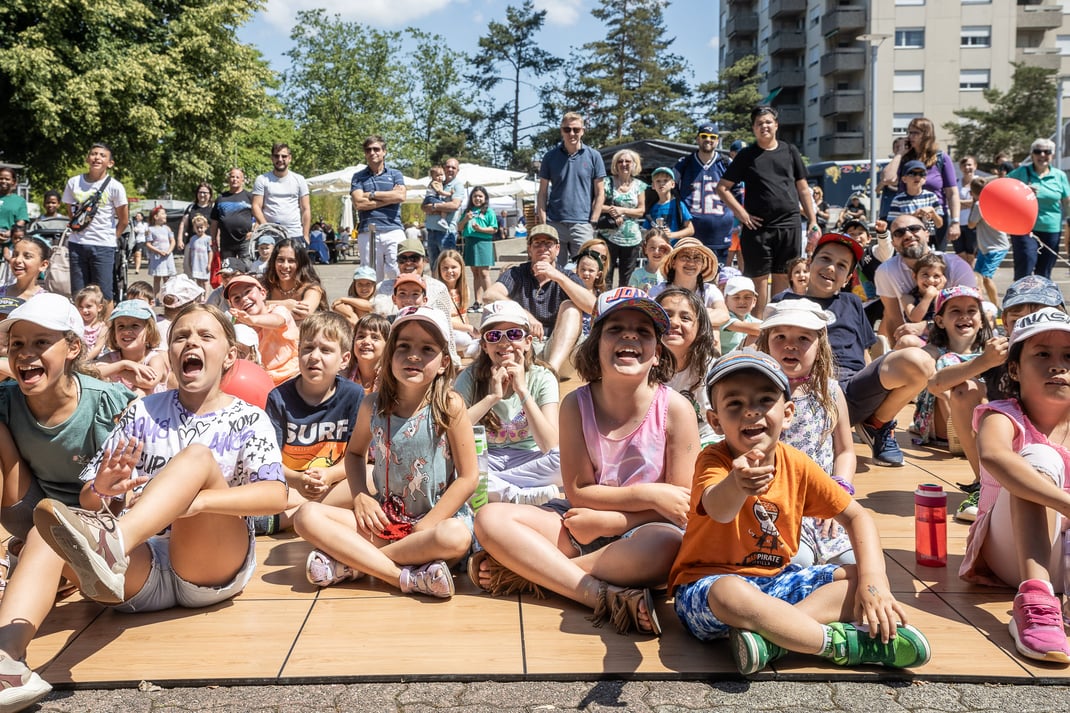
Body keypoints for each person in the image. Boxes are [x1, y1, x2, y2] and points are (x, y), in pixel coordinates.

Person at [15, 304, 287, 707]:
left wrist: (196, 503)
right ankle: (6, 661)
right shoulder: (141, 411)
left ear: (230, 355)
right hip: (140, 567)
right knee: (44, 533)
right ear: (170, 352)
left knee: (197, 457)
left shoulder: (248, 417)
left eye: (205, 336)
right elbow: (91, 498)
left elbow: (275, 496)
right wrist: (102, 488)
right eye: (181, 337)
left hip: (210, 562)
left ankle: (111, 547)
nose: (191, 343)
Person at [669, 348, 930, 675]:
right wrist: (737, 484)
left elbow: (857, 516)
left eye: (765, 400)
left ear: (788, 412)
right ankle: (836, 644)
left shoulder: (796, 464)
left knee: (854, 576)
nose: (751, 411)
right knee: (730, 591)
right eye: (734, 403)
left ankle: (775, 639)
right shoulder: (714, 460)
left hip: (777, 582)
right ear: (715, 421)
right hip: (707, 590)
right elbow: (718, 509)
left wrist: (875, 584)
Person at [471, 288, 698, 637]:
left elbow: (680, 508)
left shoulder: (676, 409)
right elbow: (578, 491)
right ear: (595, 346)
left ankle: (534, 575)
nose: (629, 336)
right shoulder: (576, 404)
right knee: (489, 518)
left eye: (643, 331)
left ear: (657, 353)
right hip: (581, 521)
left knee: (668, 546)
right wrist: (648, 494)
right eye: (615, 328)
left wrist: (612, 520)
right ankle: (594, 594)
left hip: (643, 530)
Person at [293, 306, 477, 598]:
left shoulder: (449, 406)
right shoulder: (372, 406)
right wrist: (360, 496)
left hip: (434, 524)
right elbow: (354, 454)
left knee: (454, 537)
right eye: (403, 346)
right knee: (306, 515)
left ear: (444, 362)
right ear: (389, 356)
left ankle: (356, 564)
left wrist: (428, 524)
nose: (413, 356)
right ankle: (402, 575)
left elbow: (468, 477)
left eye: (427, 349)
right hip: (384, 520)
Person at [958, 307, 1070, 664]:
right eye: (1043, 355)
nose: (1058, 366)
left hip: (1064, 557)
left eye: (1068, 357)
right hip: (1009, 555)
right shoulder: (1002, 415)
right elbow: (993, 456)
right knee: (1035, 459)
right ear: (1014, 369)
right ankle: (1036, 602)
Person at [776, 232, 934, 467]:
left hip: (853, 389)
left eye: (841, 265)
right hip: (807, 391)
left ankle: (877, 423)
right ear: (809, 263)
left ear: (848, 277)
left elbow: (864, 353)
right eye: (825, 259)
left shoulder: (851, 303)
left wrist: (873, 388)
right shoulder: (786, 302)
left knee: (921, 362)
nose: (831, 268)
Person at [0, 294, 135, 546]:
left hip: (96, 516)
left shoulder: (105, 402)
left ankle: (51, 553)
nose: (25, 353)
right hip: (28, 512)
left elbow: (117, 492)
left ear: (73, 348)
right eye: (16, 344)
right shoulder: (6, 399)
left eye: (41, 342)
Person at [757, 301, 857, 569]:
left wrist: (839, 491)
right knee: (796, 561)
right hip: (774, 505)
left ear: (819, 346)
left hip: (824, 503)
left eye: (803, 338)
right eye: (780, 337)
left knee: (853, 564)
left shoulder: (830, 391)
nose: (791, 345)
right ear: (766, 343)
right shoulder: (756, 392)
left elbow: (845, 451)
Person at [262, 312, 365, 534]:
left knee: (372, 476)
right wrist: (298, 480)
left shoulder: (354, 394)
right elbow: (270, 461)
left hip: (333, 483)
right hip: (290, 484)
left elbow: (358, 456)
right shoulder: (278, 398)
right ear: (298, 352)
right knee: (267, 489)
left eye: (326, 350)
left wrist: (331, 475)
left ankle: (283, 520)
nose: (314, 356)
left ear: (344, 359)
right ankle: (316, 511)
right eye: (308, 348)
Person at [455, 300, 561, 505]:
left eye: (513, 334)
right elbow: (452, 431)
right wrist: (492, 398)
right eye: (494, 336)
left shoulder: (542, 377)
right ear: (484, 345)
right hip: (486, 458)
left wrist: (523, 391)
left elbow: (550, 445)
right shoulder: (470, 377)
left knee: (564, 460)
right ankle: (516, 494)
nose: (504, 343)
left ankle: (490, 487)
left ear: (528, 341)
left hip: (529, 459)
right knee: (449, 462)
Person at [716, 106, 819, 315]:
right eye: (759, 123)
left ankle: (778, 322)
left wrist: (813, 220)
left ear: (776, 125)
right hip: (757, 228)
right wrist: (742, 214)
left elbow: (803, 189)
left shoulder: (790, 151)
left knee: (784, 275)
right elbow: (722, 188)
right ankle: (758, 328)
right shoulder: (746, 155)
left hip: (789, 225)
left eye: (768, 122)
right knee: (758, 279)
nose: (764, 126)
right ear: (754, 128)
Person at [910, 287, 994, 452]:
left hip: (978, 415)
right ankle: (961, 436)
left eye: (971, 311)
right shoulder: (934, 352)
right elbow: (932, 382)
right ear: (940, 321)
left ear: (982, 321)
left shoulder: (988, 352)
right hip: (942, 421)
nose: (964, 316)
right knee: (948, 367)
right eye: (956, 311)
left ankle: (982, 434)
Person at [483, 224, 595, 343]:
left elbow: (593, 307)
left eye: (548, 244)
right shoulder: (516, 273)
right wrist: (525, 315)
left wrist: (558, 277)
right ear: (529, 249)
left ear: (557, 249)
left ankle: (553, 357)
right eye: (537, 243)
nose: (542, 248)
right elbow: (489, 295)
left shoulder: (567, 276)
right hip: (524, 340)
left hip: (559, 341)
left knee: (570, 308)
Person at [875, 216, 976, 342]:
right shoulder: (886, 271)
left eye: (914, 228)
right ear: (893, 244)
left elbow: (973, 314)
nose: (908, 235)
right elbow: (892, 317)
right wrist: (898, 350)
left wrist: (926, 326)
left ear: (927, 235)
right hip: (915, 343)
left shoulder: (956, 266)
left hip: (956, 339)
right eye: (899, 233)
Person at [880, 117, 960, 252]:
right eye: (909, 132)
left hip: (936, 218)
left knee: (934, 258)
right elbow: (887, 179)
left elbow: (952, 193)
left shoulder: (941, 158)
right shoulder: (905, 158)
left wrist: (955, 221)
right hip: (906, 217)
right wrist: (899, 154)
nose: (910, 136)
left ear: (927, 134)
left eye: (915, 133)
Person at [537, 112, 607, 267]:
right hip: (555, 223)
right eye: (567, 129)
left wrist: (593, 222)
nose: (572, 133)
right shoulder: (550, 157)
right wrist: (544, 223)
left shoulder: (594, 156)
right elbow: (542, 193)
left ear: (583, 131)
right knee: (553, 270)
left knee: (585, 269)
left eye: (576, 129)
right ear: (561, 131)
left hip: (583, 223)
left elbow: (600, 192)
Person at [63, 143, 129, 305]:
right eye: (93, 154)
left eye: (102, 155)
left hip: (103, 246)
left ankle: (106, 322)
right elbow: (71, 213)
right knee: (79, 294)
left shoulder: (115, 187)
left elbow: (124, 220)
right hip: (77, 244)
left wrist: (112, 237)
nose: (97, 158)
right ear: (87, 159)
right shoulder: (74, 182)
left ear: (110, 163)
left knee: (104, 295)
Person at [655, 287, 721, 447]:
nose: (674, 322)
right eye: (666, 315)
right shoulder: (642, 366)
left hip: (706, 440)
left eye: (685, 318)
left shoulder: (712, 368)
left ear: (700, 328)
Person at [1007, 138, 1070, 280]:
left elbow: (1067, 201)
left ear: (1052, 155)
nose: (1042, 155)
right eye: (1037, 151)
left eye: (1047, 152)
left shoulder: (1059, 175)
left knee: (1044, 272)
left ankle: (1042, 295)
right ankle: (1020, 294)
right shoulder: (1021, 172)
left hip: (1051, 228)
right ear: (1032, 155)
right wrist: (1021, 190)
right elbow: (1002, 187)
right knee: (1026, 263)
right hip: (1024, 228)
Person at [675, 123, 736, 265]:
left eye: (712, 137)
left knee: (718, 274)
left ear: (717, 141)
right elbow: (671, 190)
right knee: (690, 272)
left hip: (720, 232)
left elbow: (739, 194)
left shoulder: (727, 163)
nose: (708, 139)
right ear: (697, 139)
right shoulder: (684, 163)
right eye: (704, 136)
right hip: (691, 232)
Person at [351, 136, 408, 280]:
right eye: (368, 150)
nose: (372, 152)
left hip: (394, 229)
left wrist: (371, 194)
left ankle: (399, 296)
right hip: (368, 231)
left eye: (376, 149)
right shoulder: (358, 177)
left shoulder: (395, 174)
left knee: (399, 271)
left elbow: (401, 196)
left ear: (384, 151)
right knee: (371, 275)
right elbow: (358, 203)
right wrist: (390, 198)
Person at [226, 275, 299, 386]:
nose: (244, 299)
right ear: (232, 306)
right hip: (262, 381)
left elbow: (278, 320)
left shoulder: (277, 310)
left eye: (248, 292)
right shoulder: (239, 327)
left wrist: (252, 320)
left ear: (263, 293)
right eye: (236, 298)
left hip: (291, 376)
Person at [649, 237, 729, 332]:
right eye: (685, 257)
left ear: (702, 265)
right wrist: (702, 315)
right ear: (673, 262)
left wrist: (685, 321)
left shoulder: (709, 290)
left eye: (697, 258)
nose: (691, 262)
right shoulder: (658, 290)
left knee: (715, 330)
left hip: (699, 340)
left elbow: (723, 315)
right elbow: (651, 317)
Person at [94, 300, 169, 397]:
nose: (126, 331)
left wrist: (118, 370)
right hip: (120, 405)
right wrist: (123, 364)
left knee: (140, 391)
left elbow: (149, 382)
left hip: (151, 405)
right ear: (114, 333)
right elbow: (92, 372)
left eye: (135, 326)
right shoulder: (113, 358)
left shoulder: (154, 358)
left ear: (149, 331)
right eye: (121, 326)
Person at [599, 149, 647, 288]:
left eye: (628, 161)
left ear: (634, 164)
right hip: (609, 236)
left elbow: (641, 211)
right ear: (615, 164)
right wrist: (612, 210)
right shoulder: (606, 182)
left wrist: (623, 210)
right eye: (620, 161)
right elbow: (597, 206)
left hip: (632, 239)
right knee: (606, 276)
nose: (624, 164)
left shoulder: (639, 185)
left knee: (627, 279)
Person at [252, 143, 311, 246]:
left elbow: (306, 209)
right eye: (276, 156)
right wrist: (267, 228)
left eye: (284, 156)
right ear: (272, 158)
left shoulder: (299, 179)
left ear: (289, 158)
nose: (280, 159)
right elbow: (256, 206)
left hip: (295, 233)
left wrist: (305, 235)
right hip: (270, 236)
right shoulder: (262, 179)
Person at [967, 176, 1010, 306]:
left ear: (972, 193)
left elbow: (971, 224)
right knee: (977, 276)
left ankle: (996, 308)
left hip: (995, 247)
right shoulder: (994, 201)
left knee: (985, 277)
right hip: (987, 247)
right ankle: (979, 304)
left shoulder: (979, 204)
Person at [263, 237, 326, 324]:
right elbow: (247, 307)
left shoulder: (312, 288)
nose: (285, 266)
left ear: (300, 264)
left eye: (291, 261)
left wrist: (266, 306)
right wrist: (285, 304)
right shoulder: (266, 285)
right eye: (280, 260)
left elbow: (303, 313)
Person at [433, 250, 479, 356]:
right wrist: (468, 328)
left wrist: (470, 330)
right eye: (445, 268)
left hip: (462, 332)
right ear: (439, 270)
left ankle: (459, 352)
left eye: (453, 267)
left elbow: (464, 315)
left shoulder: (464, 289)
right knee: (463, 340)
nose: (449, 271)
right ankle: (461, 352)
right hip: (446, 332)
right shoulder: (437, 291)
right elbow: (442, 321)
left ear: (461, 268)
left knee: (485, 341)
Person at [459, 186, 498, 307]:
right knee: (475, 272)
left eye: (480, 196)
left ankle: (490, 301)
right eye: (475, 196)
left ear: (485, 198)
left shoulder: (489, 212)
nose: (477, 198)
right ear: (471, 198)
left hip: (484, 243)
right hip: (470, 242)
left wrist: (480, 229)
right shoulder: (468, 212)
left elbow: (494, 229)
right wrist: (465, 219)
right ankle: (478, 301)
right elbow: (459, 227)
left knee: (484, 272)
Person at [421, 158, 464, 266]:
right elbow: (423, 207)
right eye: (448, 167)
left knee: (447, 266)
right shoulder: (437, 183)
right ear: (444, 168)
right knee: (434, 267)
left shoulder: (457, 185)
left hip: (446, 233)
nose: (450, 169)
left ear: (458, 170)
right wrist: (440, 208)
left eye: (453, 167)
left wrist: (434, 207)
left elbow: (454, 205)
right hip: (431, 232)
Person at [884, 160, 945, 234]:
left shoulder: (931, 196)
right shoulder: (898, 200)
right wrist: (914, 215)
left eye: (921, 174)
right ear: (904, 179)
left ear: (925, 179)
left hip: (929, 237)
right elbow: (893, 225)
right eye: (912, 174)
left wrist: (933, 212)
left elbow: (939, 224)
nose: (917, 177)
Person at [211, 167, 255, 260]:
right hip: (226, 242)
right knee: (227, 268)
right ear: (228, 179)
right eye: (232, 177)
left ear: (242, 180)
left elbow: (259, 216)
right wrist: (214, 241)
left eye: (237, 177)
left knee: (246, 266)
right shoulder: (221, 198)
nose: (235, 179)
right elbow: (214, 222)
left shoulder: (249, 197)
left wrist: (253, 231)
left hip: (245, 241)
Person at [643, 168, 694, 241]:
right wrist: (654, 233)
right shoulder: (651, 207)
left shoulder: (678, 205)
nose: (662, 183)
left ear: (673, 184)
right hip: (658, 246)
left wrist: (671, 235)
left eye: (665, 180)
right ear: (653, 185)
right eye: (658, 181)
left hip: (675, 246)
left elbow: (690, 230)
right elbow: (646, 230)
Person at [176, 182, 214, 276]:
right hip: (192, 244)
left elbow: (217, 225)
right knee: (189, 271)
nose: (202, 195)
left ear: (210, 194)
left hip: (207, 245)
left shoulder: (213, 208)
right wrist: (180, 239)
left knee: (206, 273)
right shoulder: (191, 207)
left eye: (205, 192)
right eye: (200, 192)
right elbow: (183, 224)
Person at [347, 313, 390, 392]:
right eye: (361, 336)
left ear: (387, 345)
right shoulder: (342, 377)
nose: (366, 341)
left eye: (375, 337)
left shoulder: (391, 381)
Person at [720, 276, 761, 353]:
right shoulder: (723, 318)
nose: (742, 301)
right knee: (754, 335)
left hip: (742, 357)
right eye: (736, 297)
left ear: (754, 301)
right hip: (725, 359)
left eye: (747, 297)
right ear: (725, 301)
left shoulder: (754, 321)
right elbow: (757, 329)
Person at [4, 236, 49, 303]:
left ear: (43, 265)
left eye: (27, 257)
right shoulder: (1, 293)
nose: (18, 260)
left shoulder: (45, 300)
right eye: (15, 255)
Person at [145, 205, 177, 297]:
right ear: (155, 217)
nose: (165, 215)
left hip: (167, 257)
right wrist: (158, 251)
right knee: (157, 278)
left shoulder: (167, 228)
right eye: (163, 214)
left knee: (167, 278)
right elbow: (148, 244)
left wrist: (169, 251)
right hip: (157, 257)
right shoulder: (150, 230)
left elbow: (172, 241)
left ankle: (167, 297)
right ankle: (156, 297)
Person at [629, 228, 671, 293]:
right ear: (645, 249)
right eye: (652, 248)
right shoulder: (637, 275)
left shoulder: (670, 275)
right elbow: (630, 296)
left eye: (661, 248)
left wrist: (671, 254)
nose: (656, 252)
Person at [955, 156, 979, 267]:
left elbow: (980, 201)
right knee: (961, 255)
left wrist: (960, 203)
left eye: (969, 164)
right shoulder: (956, 182)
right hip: (958, 223)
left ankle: (972, 276)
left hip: (973, 224)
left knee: (971, 256)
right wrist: (971, 202)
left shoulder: (979, 182)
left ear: (975, 166)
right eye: (964, 165)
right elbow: (951, 201)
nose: (967, 167)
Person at [74, 286, 107, 361]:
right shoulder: (77, 324)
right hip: (77, 357)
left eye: (88, 306)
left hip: (96, 359)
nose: (84, 310)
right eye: (81, 307)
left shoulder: (103, 328)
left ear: (99, 308)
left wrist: (83, 360)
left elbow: (98, 348)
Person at [185, 214, 213, 295]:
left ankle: (206, 297)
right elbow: (190, 252)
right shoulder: (193, 239)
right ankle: (200, 296)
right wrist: (190, 262)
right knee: (198, 281)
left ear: (206, 227)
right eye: (197, 228)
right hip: (196, 264)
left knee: (205, 281)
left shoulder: (208, 239)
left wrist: (209, 264)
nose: (199, 229)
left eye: (201, 227)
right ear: (194, 228)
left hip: (204, 264)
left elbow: (210, 252)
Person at [0, 168, 28, 244]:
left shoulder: (19, 201)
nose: (3, 181)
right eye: (1, 178)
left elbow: (22, 220)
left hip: (9, 239)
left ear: (13, 181)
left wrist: (11, 231)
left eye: (7, 179)